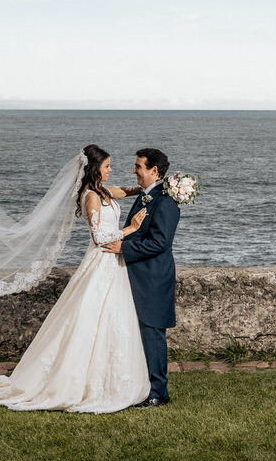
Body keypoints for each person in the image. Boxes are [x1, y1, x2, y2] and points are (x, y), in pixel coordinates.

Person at [0, 144, 151, 413]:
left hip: (112, 264)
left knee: (111, 317)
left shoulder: (104, 191)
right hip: (100, 261)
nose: (111, 170)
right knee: (87, 319)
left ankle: (107, 377)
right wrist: (130, 228)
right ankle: (72, 381)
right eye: (107, 166)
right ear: (94, 169)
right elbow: (99, 237)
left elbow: (126, 191)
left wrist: (153, 187)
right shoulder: (91, 196)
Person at [102, 148, 178, 408]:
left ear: (153, 170)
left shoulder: (165, 200)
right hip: (138, 276)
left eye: (138, 167)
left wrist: (124, 247)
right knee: (139, 334)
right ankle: (141, 387)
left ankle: (158, 393)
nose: (133, 170)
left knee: (152, 334)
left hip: (154, 278)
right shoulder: (148, 195)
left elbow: (160, 243)